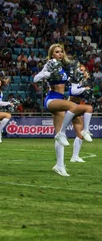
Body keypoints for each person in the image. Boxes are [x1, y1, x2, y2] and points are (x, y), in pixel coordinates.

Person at [33, 44, 93, 177]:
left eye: (61, 52)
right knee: (72, 107)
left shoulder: (64, 67)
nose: (60, 54)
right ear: (52, 54)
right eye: (57, 52)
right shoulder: (49, 64)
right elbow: (35, 79)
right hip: (52, 99)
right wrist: (47, 73)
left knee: (59, 134)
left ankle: (59, 165)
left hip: (60, 99)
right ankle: (63, 133)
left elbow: (73, 81)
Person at [68, 64, 94, 163]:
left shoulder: (81, 81)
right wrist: (85, 89)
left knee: (80, 133)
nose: (84, 72)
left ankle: (75, 157)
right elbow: (73, 91)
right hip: (71, 105)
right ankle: (86, 130)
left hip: (75, 105)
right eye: (82, 70)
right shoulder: (74, 80)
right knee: (89, 109)